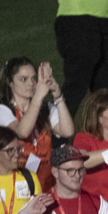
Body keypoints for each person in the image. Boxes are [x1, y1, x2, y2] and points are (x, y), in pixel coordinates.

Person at [0, 58, 74, 191]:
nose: (31, 84)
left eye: (34, 79)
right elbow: (22, 131)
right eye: (23, 79)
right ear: (10, 82)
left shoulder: (45, 108)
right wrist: (38, 96)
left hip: (46, 183)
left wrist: (57, 95)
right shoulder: (4, 109)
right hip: (17, 185)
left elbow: (67, 131)